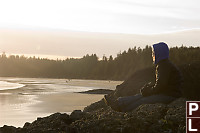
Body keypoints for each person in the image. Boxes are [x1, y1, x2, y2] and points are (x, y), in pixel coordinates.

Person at [104, 42, 183, 112]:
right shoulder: (164, 64)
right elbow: (161, 83)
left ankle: (122, 109)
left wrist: (149, 91)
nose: (152, 55)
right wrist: (149, 87)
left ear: (159, 53)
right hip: (166, 93)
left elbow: (161, 85)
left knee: (143, 100)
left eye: (153, 53)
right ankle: (118, 103)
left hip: (169, 95)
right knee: (139, 96)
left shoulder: (164, 66)